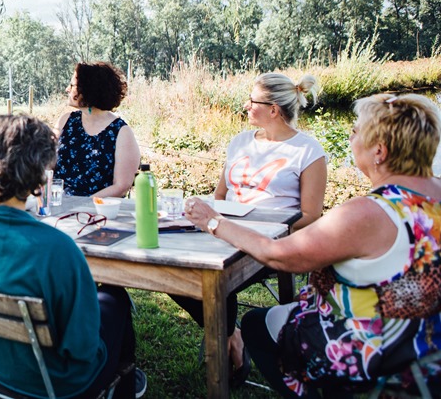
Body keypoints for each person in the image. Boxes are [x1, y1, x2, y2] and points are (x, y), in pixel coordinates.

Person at [184, 93, 441, 397]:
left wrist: (215, 222)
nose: (351, 136)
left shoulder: (370, 212)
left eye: (355, 130)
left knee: (255, 324)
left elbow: (279, 256)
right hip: (425, 345)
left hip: (371, 354)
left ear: (380, 152)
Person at [0, 114, 145, 399]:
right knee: (115, 297)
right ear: (42, 172)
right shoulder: (58, 249)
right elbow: (84, 347)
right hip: (63, 383)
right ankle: (126, 386)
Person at [172, 72, 328, 387]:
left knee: (217, 277)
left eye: (253, 101)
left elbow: (311, 214)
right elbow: (219, 196)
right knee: (173, 266)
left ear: (273, 109)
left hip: (268, 242)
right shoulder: (240, 141)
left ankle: (227, 342)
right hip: (221, 228)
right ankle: (232, 337)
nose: (245, 105)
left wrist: (257, 225)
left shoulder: (308, 150)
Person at [53, 61, 141, 197]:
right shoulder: (65, 121)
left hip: (99, 212)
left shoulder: (121, 132)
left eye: (72, 85)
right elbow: (46, 165)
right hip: (58, 206)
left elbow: (122, 186)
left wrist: (83, 205)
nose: (67, 89)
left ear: (87, 89)